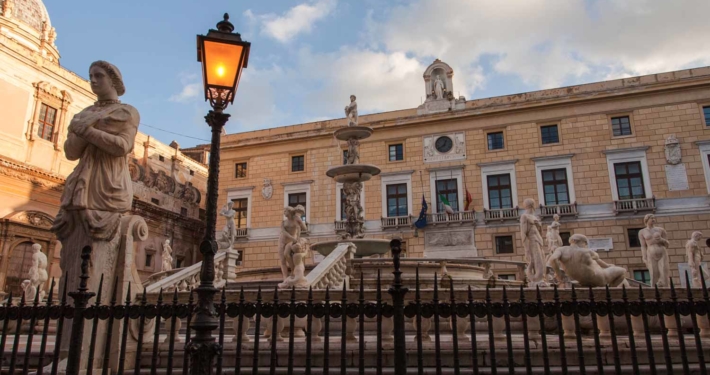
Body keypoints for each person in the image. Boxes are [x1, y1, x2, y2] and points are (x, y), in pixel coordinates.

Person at [548, 234, 628, 287]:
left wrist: (558, 274)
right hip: (597, 278)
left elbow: (553, 259)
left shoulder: (561, 250)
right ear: (577, 241)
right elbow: (597, 258)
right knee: (622, 271)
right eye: (585, 242)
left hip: (578, 279)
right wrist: (607, 266)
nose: (586, 245)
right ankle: (609, 290)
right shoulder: (587, 251)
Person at [639, 214, 670, 287]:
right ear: (646, 220)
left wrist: (661, 240)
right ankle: (654, 288)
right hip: (650, 251)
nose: (653, 219)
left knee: (664, 271)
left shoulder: (661, 230)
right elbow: (643, 246)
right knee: (653, 272)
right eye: (651, 218)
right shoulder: (642, 232)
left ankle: (665, 288)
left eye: (654, 218)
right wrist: (644, 257)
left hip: (662, 251)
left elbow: (667, 244)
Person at [520, 198, 546, 286]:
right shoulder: (524, 216)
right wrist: (526, 249)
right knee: (537, 259)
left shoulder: (535, 217)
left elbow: (540, 232)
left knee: (541, 258)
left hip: (538, 240)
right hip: (532, 241)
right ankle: (537, 279)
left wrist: (539, 225)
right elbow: (523, 234)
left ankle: (540, 278)